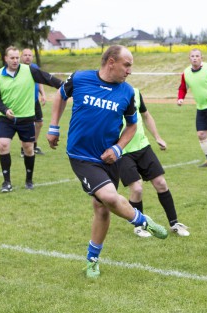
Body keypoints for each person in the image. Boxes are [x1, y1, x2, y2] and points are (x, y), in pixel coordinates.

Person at [46, 45, 168, 279]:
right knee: (110, 197)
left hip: (109, 158)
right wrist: (53, 126)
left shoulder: (127, 92)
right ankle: (143, 221)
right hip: (82, 157)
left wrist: (118, 148)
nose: (130, 70)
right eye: (127, 64)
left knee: (102, 209)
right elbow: (60, 95)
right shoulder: (80, 78)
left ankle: (92, 260)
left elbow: (132, 125)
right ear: (111, 62)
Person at [0, 46, 64, 192]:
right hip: (7, 119)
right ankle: (7, 183)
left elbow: (48, 78)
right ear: (5, 58)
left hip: (26, 118)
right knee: (3, 145)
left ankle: (29, 180)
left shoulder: (29, 70)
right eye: (12, 58)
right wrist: (5, 110)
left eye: (17, 57)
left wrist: (65, 86)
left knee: (28, 149)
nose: (15, 60)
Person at [119, 88, 190, 237]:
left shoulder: (135, 92)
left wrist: (157, 137)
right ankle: (139, 226)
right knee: (137, 189)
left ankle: (174, 223)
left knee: (161, 183)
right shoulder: (108, 96)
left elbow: (146, 115)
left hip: (143, 147)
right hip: (122, 150)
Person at [20, 48, 47, 156]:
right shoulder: (19, 69)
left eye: (29, 55)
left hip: (34, 100)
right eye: (25, 55)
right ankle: (24, 149)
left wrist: (43, 94)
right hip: (24, 102)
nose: (27, 57)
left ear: (32, 57)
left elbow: (39, 81)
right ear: (21, 57)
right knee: (26, 126)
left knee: (39, 123)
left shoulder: (35, 68)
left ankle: (34, 146)